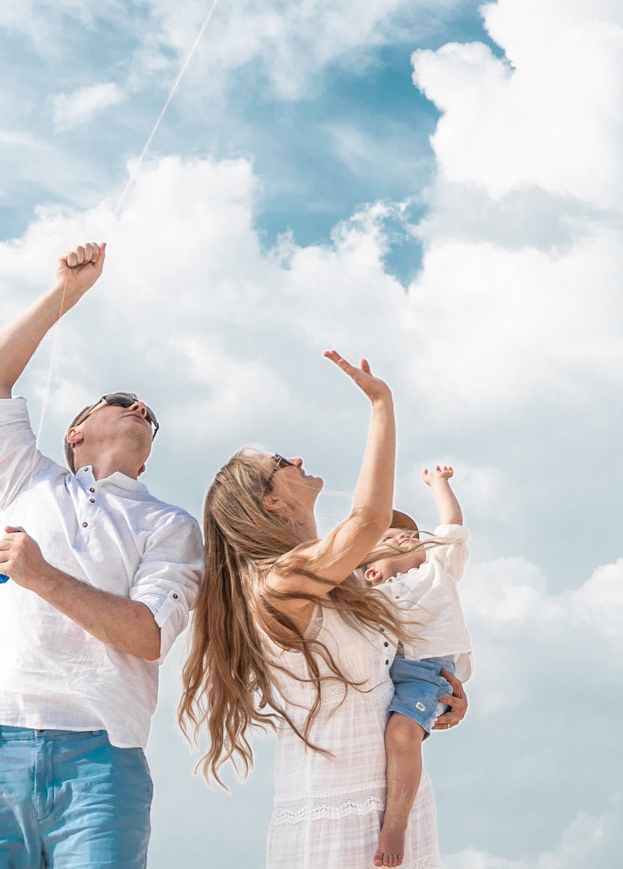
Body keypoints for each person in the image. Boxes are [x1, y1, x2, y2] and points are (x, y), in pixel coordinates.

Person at [0, 241, 205, 869]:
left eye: (149, 416)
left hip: (101, 756)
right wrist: (67, 292)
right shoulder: (26, 481)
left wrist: (40, 576)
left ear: (146, 459)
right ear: (75, 432)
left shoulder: (170, 525)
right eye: (122, 402)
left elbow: (147, 635)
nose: (141, 408)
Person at [181, 352, 467, 869]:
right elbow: (370, 517)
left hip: (395, 813)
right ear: (268, 502)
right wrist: (381, 403)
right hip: (334, 819)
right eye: (278, 465)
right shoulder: (278, 582)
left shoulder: (346, 584)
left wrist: (438, 702)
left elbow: (383, 685)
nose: (294, 459)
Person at [359, 466, 473, 868]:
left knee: (402, 733)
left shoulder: (436, 571)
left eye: (408, 533)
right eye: (389, 538)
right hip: (389, 672)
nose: (405, 535)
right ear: (371, 571)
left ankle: (395, 825)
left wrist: (438, 484)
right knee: (391, 732)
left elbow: (451, 525)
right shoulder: (368, 597)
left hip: (428, 673)